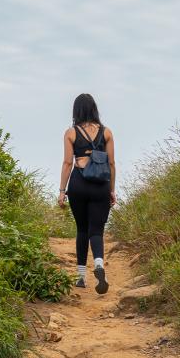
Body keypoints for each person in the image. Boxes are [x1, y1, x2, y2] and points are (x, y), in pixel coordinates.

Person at [58, 93, 116, 293]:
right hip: (101, 184)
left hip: (78, 184)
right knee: (96, 230)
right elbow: (111, 163)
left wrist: (61, 191)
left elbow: (67, 163)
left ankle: (81, 277)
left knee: (82, 229)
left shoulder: (71, 133)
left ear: (76, 111)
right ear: (94, 109)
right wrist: (112, 190)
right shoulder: (107, 132)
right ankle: (99, 264)